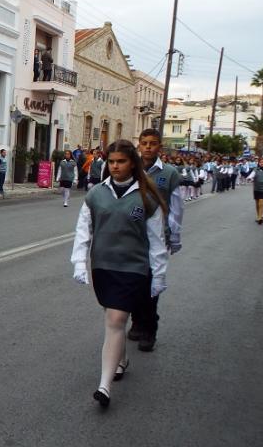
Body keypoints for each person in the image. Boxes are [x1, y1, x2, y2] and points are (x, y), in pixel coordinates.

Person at [70, 139, 169, 408]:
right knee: (113, 317)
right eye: (111, 161)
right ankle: (121, 359)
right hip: (103, 267)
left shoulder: (146, 197)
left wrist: (159, 276)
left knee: (116, 318)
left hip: (133, 268)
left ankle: (104, 385)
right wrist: (79, 263)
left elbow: (157, 241)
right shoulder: (96, 194)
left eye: (121, 161)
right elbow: (83, 232)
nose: (115, 166)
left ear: (132, 164)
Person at [129, 128, 183, 352]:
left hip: (158, 235)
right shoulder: (131, 169)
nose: (148, 147)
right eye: (144, 143)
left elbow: (176, 207)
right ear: (139, 145)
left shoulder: (169, 173)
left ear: (160, 146)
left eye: (153, 143)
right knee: (133, 280)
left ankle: (149, 328)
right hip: (133, 234)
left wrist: (175, 236)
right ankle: (137, 320)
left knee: (151, 281)